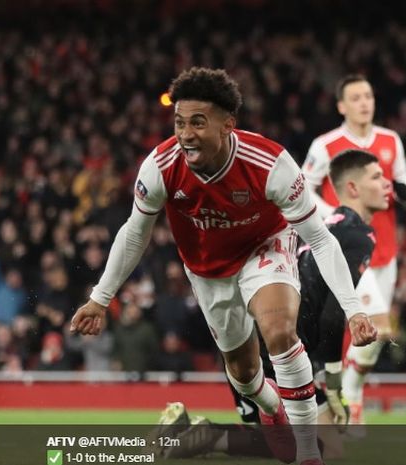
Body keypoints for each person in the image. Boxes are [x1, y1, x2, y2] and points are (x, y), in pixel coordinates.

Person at [70, 67, 377, 465]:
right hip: (208, 271)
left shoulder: (271, 164)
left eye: (198, 122)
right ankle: (271, 406)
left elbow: (319, 237)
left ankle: (306, 455)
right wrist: (100, 298)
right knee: (245, 375)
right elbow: (134, 233)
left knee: (280, 332)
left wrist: (354, 311)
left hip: (264, 246)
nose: (186, 133)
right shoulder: (161, 166)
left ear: (228, 124)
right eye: (180, 123)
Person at [151, 150, 391, 461]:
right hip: (286, 342)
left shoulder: (322, 223)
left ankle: (201, 436)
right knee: (322, 448)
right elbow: (333, 318)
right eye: (376, 176)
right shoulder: (358, 233)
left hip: (251, 333)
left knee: (283, 439)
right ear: (353, 188)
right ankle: (207, 436)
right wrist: (334, 387)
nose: (386, 183)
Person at [302, 74, 406, 426]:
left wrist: (396, 192)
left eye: (368, 95)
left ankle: (350, 401)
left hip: (386, 251)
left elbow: (404, 183)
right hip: (348, 249)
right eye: (356, 97)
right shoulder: (326, 145)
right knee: (376, 326)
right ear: (342, 105)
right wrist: (332, 213)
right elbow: (303, 188)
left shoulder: (390, 140)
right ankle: (347, 398)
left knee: (371, 335)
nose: (364, 102)